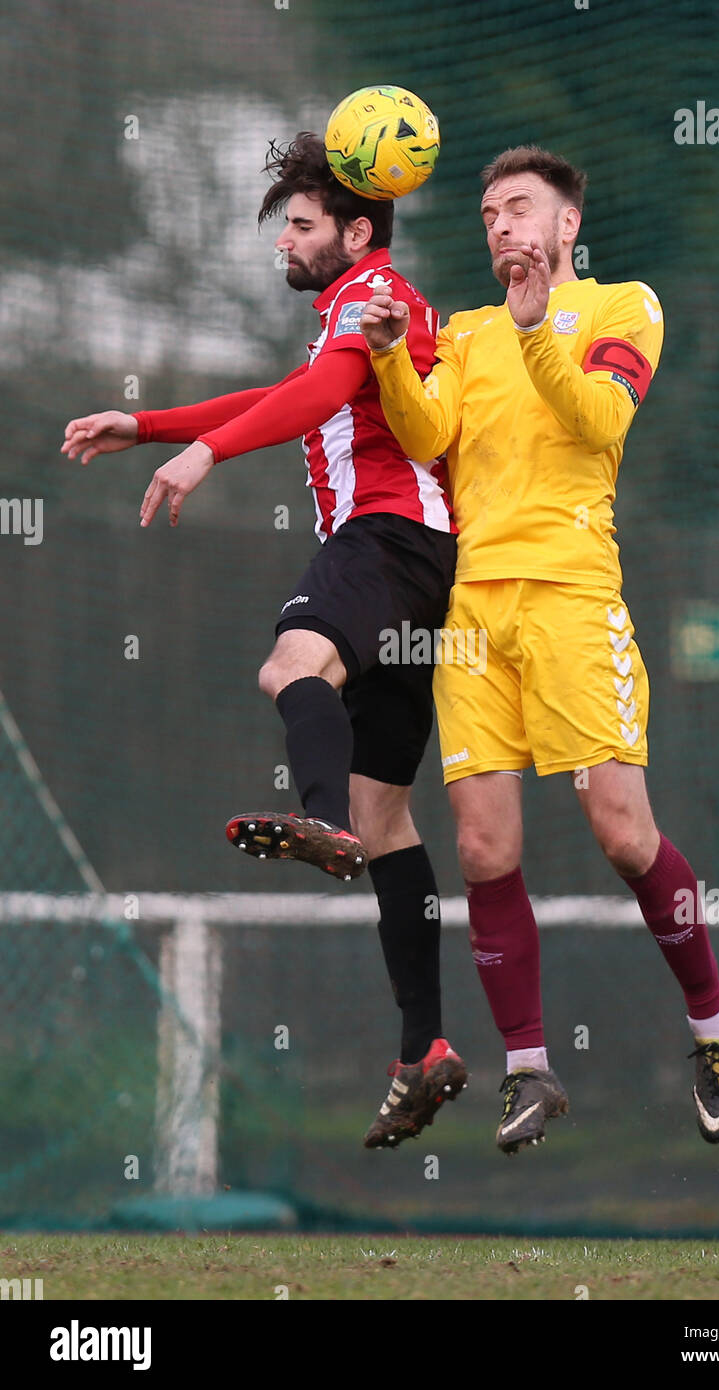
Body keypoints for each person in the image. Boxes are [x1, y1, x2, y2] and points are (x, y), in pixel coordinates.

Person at [61, 133, 467, 1148]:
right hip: (420, 565)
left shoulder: (375, 295)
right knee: (389, 821)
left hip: (388, 539)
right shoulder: (352, 308)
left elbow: (320, 398)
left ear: (355, 230)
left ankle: (315, 818)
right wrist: (151, 425)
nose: (281, 243)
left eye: (298, 224)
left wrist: (199, 453)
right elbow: (287, 398)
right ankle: (424, 1046)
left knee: (288, 665)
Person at [360, 144, 719, 1155]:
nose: (500, 226)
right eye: (488, 212)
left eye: (519, 208)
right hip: (474, 614)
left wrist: (537, 332)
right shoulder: (470, 333)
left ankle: (712, 1022)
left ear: (566, 225)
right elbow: (422, 436)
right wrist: (398, 355)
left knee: (621, 833)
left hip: (574, 599)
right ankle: (527, 1069)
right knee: (484, 846)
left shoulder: (625, 307)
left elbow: (597, 417)